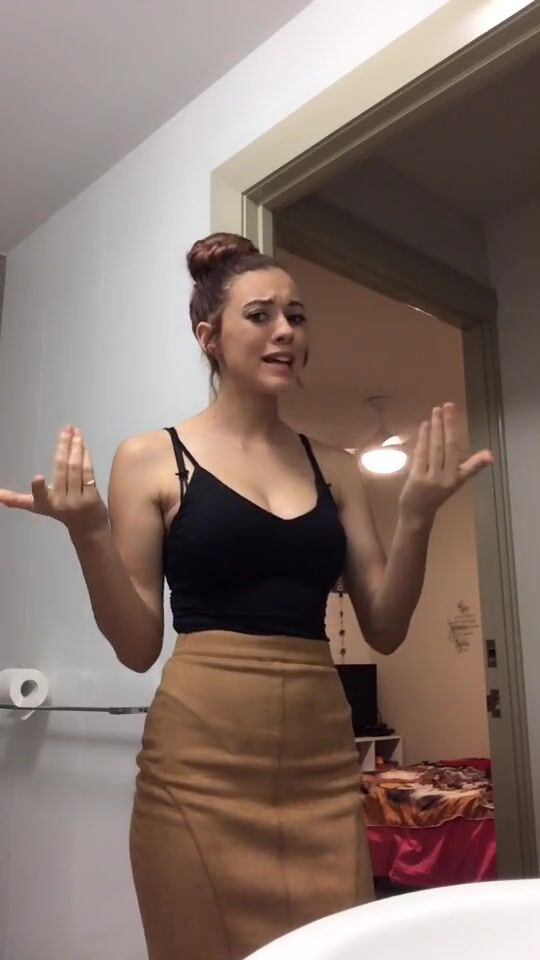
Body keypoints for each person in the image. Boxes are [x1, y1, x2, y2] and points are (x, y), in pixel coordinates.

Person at [0, 233, 493, 960]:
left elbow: (385, 627)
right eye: (261, 315)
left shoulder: (336, 466)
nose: (286, 330)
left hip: (322, 772)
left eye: (297, 315)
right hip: (196, 775)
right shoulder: (151, 456)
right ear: (210, 337)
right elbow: (136, 646)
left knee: (334, 948)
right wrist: (89, 533)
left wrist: (417, 516)